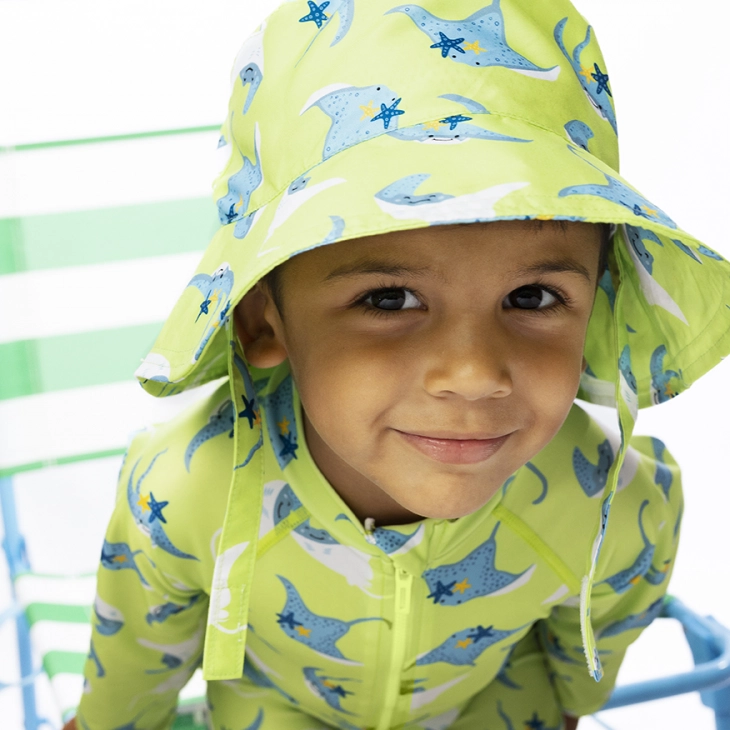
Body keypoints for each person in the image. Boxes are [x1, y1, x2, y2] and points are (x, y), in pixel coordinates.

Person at [65, 0, 730, 728]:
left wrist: (571, 705)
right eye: (388, 298)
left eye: (533, 296)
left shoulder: (615, 500)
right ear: (260, 319)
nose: (474, 375)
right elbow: (125, 690)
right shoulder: (185, 490)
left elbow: (581, 668)